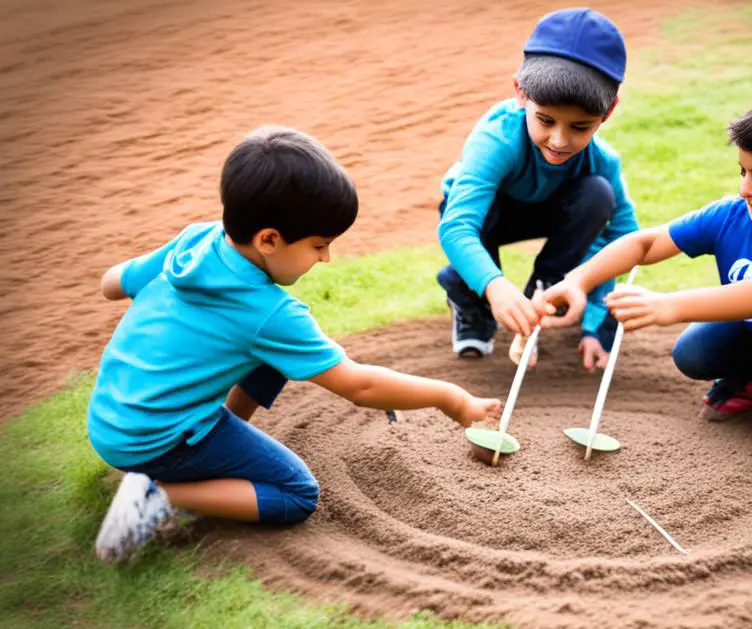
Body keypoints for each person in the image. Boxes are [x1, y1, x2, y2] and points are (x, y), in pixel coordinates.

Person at [89, 126, 502, 562]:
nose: (326, 258)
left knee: (270, 359)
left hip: (111, 416)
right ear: (268, 239)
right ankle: (160, 495)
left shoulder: (196, 239)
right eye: (319, 246)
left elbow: (113, 283)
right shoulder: (271, 314)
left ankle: (220, 440)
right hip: (156, 442)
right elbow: (359, 385)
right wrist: (450, 398)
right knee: (295, 493)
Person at [541, 73, 752, 471]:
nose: (746, 190)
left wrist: (670, 306)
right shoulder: (732, 215)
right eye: (744, 172)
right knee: (693, 352)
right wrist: (578, 280)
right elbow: (645, 244)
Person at [436, 7, 639, 371]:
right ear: (520, 93)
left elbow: (624, 242)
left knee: (597, 195)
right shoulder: (495, 140)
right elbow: (456, 227)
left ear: (608, 113)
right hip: (486, 216)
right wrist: (495, 287)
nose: (560, 141)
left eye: (580, 126)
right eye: (545, 120)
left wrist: (596, 324)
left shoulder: (603, 161)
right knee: (476, 265)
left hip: (551, 211)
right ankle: (470, 298)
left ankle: (538, 300)